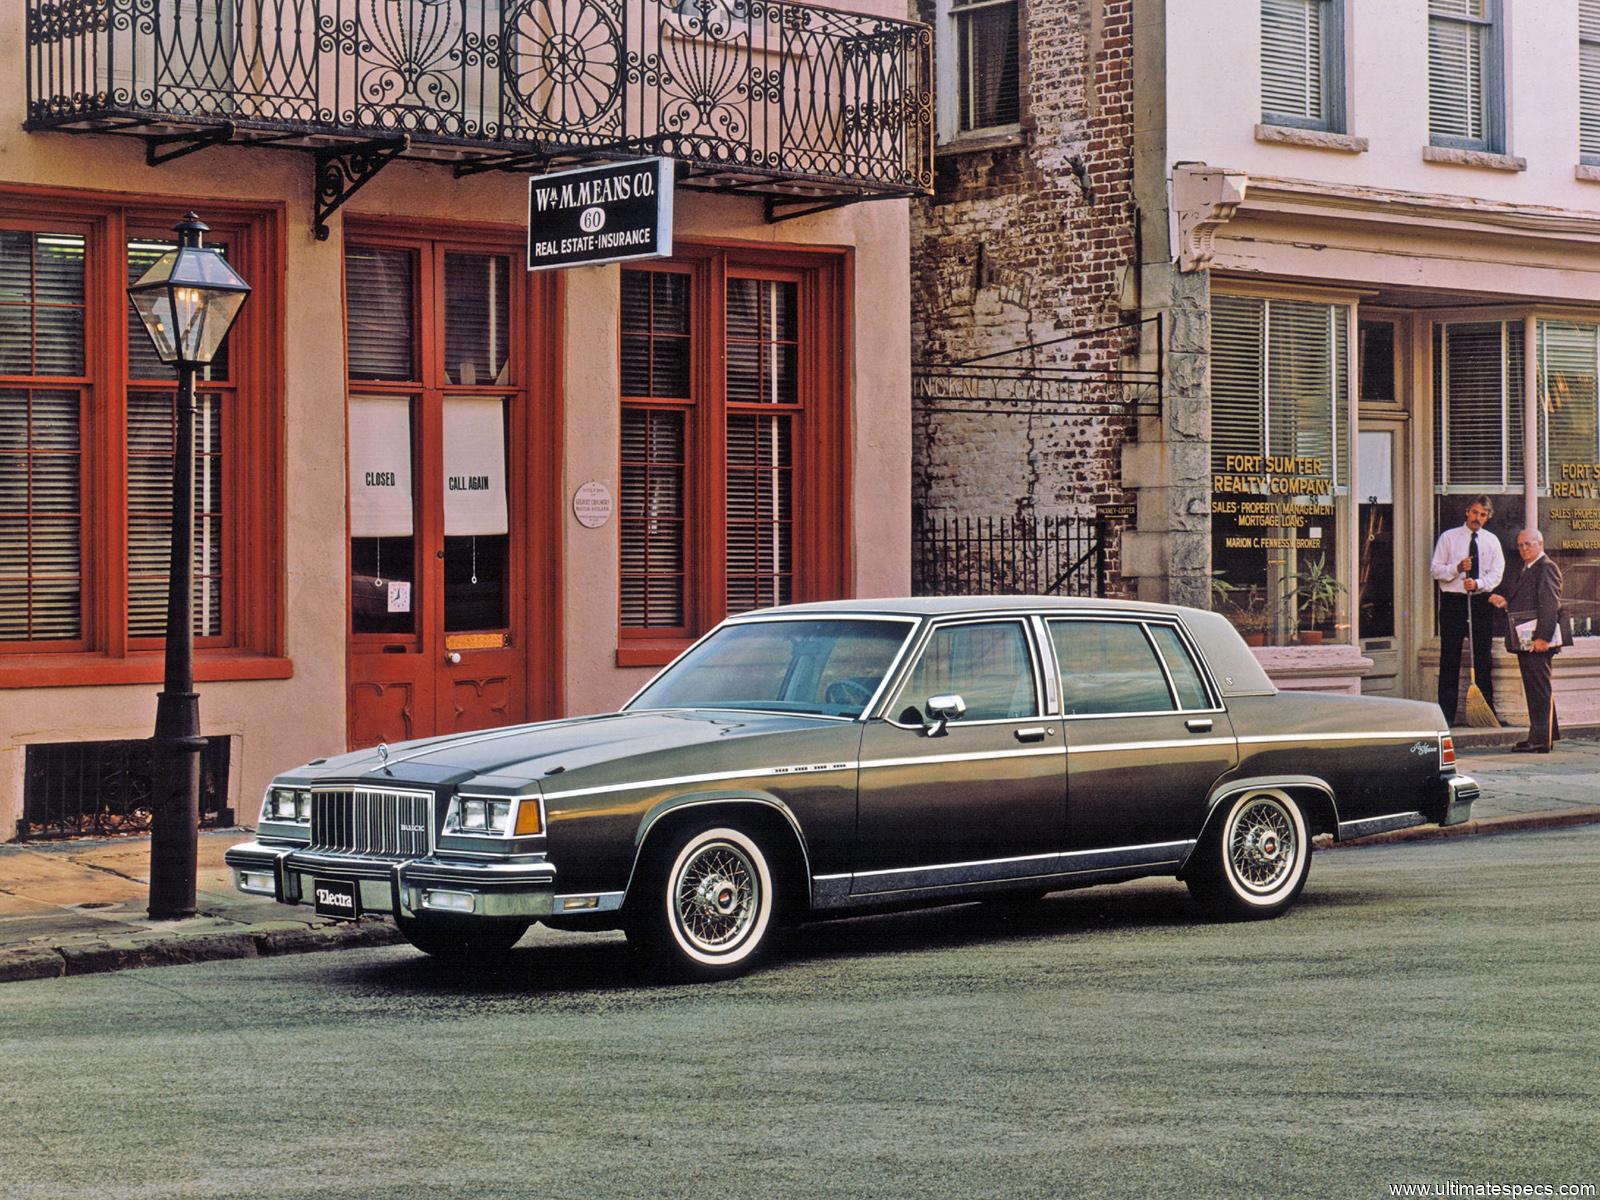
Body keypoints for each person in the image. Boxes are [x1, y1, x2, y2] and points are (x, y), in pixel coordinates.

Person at [1489, 529, 1572, 753]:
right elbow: (1529, 603)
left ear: (1540, 544)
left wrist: (1543, 638)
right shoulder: (1528, 568)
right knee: (1538, 688)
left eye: (1528, 544)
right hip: (1528, 640)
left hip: (1537, 641)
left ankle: (1539, 740)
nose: (1524, 549)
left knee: (1539, 689)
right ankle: (1544, 735)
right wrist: (1506, 603)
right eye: (1521, 545)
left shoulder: (1546, 567)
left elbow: (1549, 604)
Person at [1429, 495, 1504, 725]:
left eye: (1482, 515)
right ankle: (1446, 716)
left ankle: (1486, 713)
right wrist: (1457, 568)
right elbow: (1435, 570)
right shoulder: (1449, 538)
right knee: (1450, 658)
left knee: (1482, 657)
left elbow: (1497, 572)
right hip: (1453, 601)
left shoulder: (1491, 541)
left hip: (1480, 602)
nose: (1477, 518)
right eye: (1474, 513)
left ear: (1487, 517)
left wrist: (1479, 583)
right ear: (1466, 512)